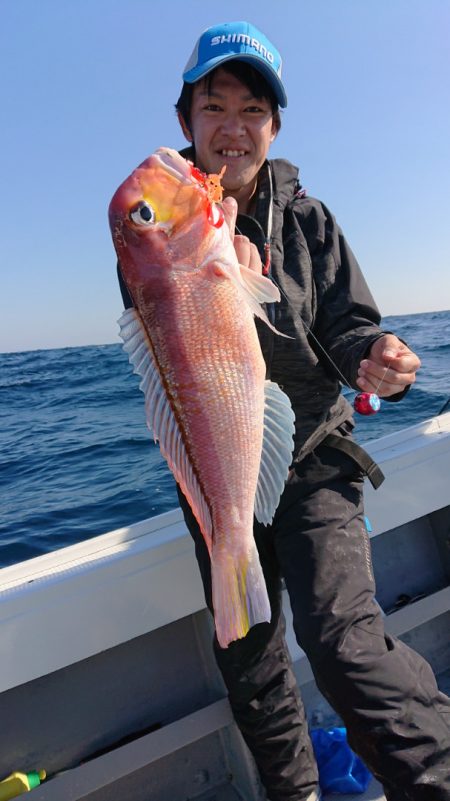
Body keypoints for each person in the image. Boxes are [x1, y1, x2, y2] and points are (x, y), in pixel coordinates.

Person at [118, 20, 450, 801]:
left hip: (317, 459)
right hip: (219, 460)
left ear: (274, 127)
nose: (232, 128)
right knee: (250, 654)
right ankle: (293, 792)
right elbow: (162, 320)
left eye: (252, 111)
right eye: (214, 108)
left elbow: (349, 325)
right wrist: (209, 249)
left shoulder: (310, 222)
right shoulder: (169, 224)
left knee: (344, 644)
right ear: (185, 121)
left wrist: (378, 357)